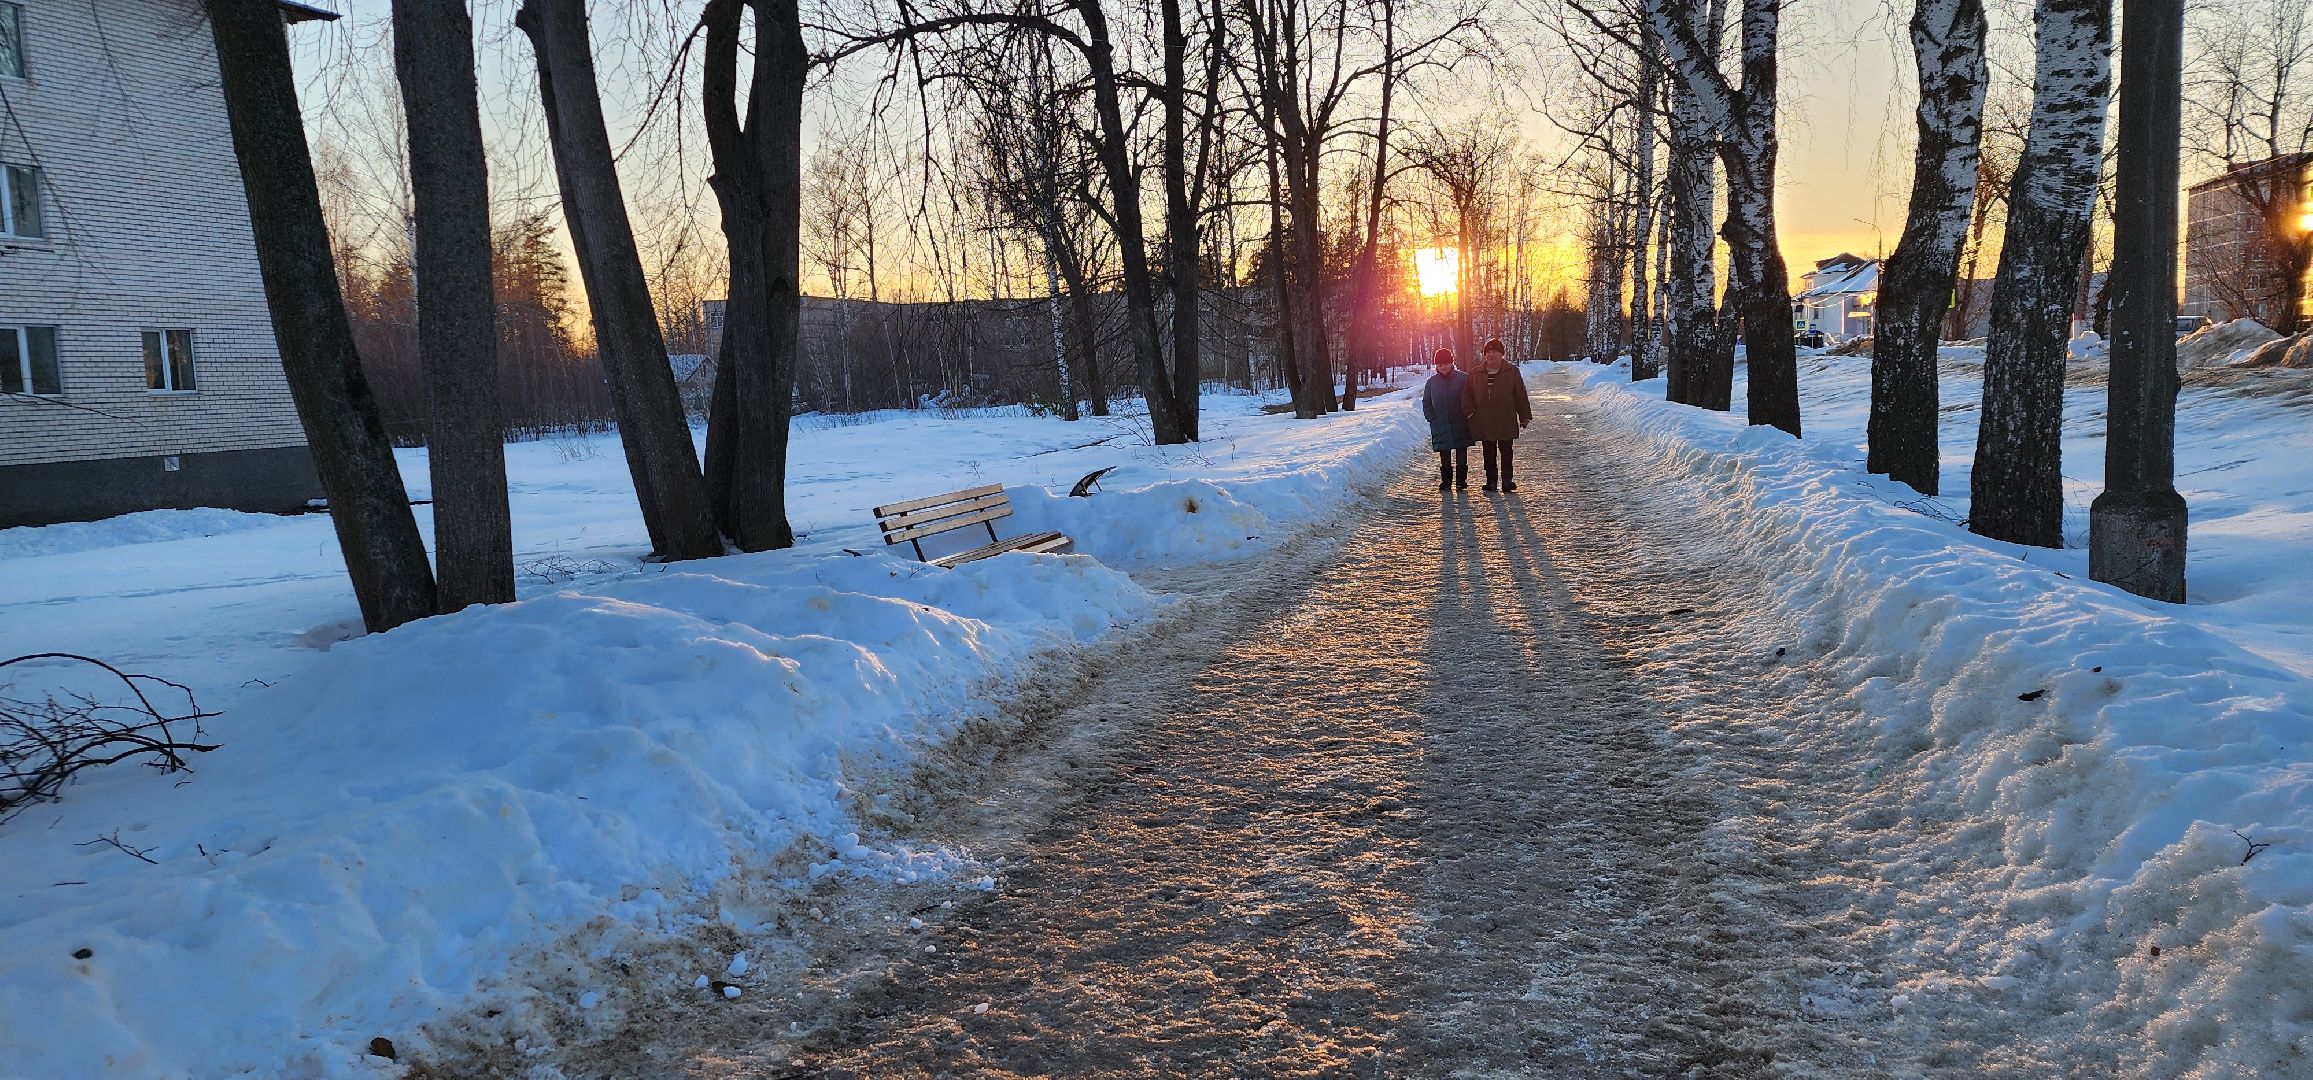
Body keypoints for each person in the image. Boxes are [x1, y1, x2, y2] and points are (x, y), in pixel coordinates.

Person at [1460, 338, 1531, 492]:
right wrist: (1470, 412)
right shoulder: (1475, 373)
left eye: (1495, 351)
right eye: (1488, 352)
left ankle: (1507, 480)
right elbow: (1467, 395)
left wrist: (1524, 415)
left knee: (1506, 452)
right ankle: (1491, 481)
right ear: (1485, 355)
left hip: (1505, 418)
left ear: (1501, 354)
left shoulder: (1512, 371)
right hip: (1484, 420)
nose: (1491, 355)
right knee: (1488, 452)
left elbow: (1520, 394)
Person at [1420, 348, 1473, 490]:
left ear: (1451, 362)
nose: (1442, 367)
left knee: (1461, 451)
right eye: (1439, 364)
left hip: (1461, 421)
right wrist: (1431, 417)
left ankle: (1461, 481)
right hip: (1440, 423)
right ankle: (1446, 481)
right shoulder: (1431, 383)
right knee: (1444, 453)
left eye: (1445, 363)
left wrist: (1468, 414)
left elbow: (1470, 398)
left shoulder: (1463, 378)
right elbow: (1426, 402)